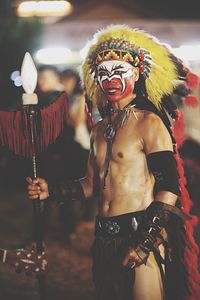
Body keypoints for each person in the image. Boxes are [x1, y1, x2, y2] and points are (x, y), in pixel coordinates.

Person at [27, 25, 199, 300]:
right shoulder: (99, 129)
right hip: (104, 238)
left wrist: (144, 243)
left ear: (136, 74)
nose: (110, 79)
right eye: (103, 73)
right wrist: (52, 190)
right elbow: (91, 184)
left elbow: (170, 187)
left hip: (141, 233)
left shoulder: (148, 122)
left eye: (119, 71)